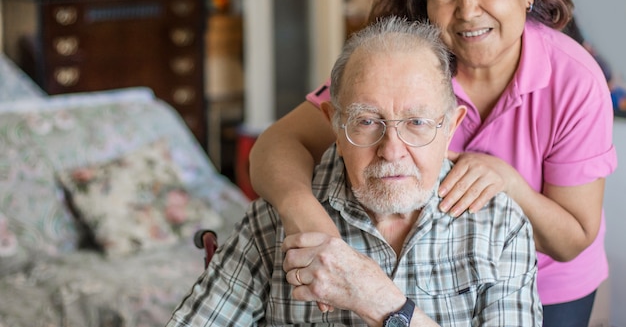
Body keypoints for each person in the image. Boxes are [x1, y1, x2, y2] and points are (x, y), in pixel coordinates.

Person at [248, 0, 617, 326]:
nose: (468, 9)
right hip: (424, 282)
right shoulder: (404, 69)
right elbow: (274, 145)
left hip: (549, 289)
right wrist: (304, 213)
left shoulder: (574, 78)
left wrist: (507, 181)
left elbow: (574, 240)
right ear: (424, 2)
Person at [166, 17, 542, 326]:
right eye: (366, 121)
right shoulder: (275, 221)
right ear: (334, 123)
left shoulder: (499, 226)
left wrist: (379, 301)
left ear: (450, 127)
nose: (392, 149)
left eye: (416, 122)